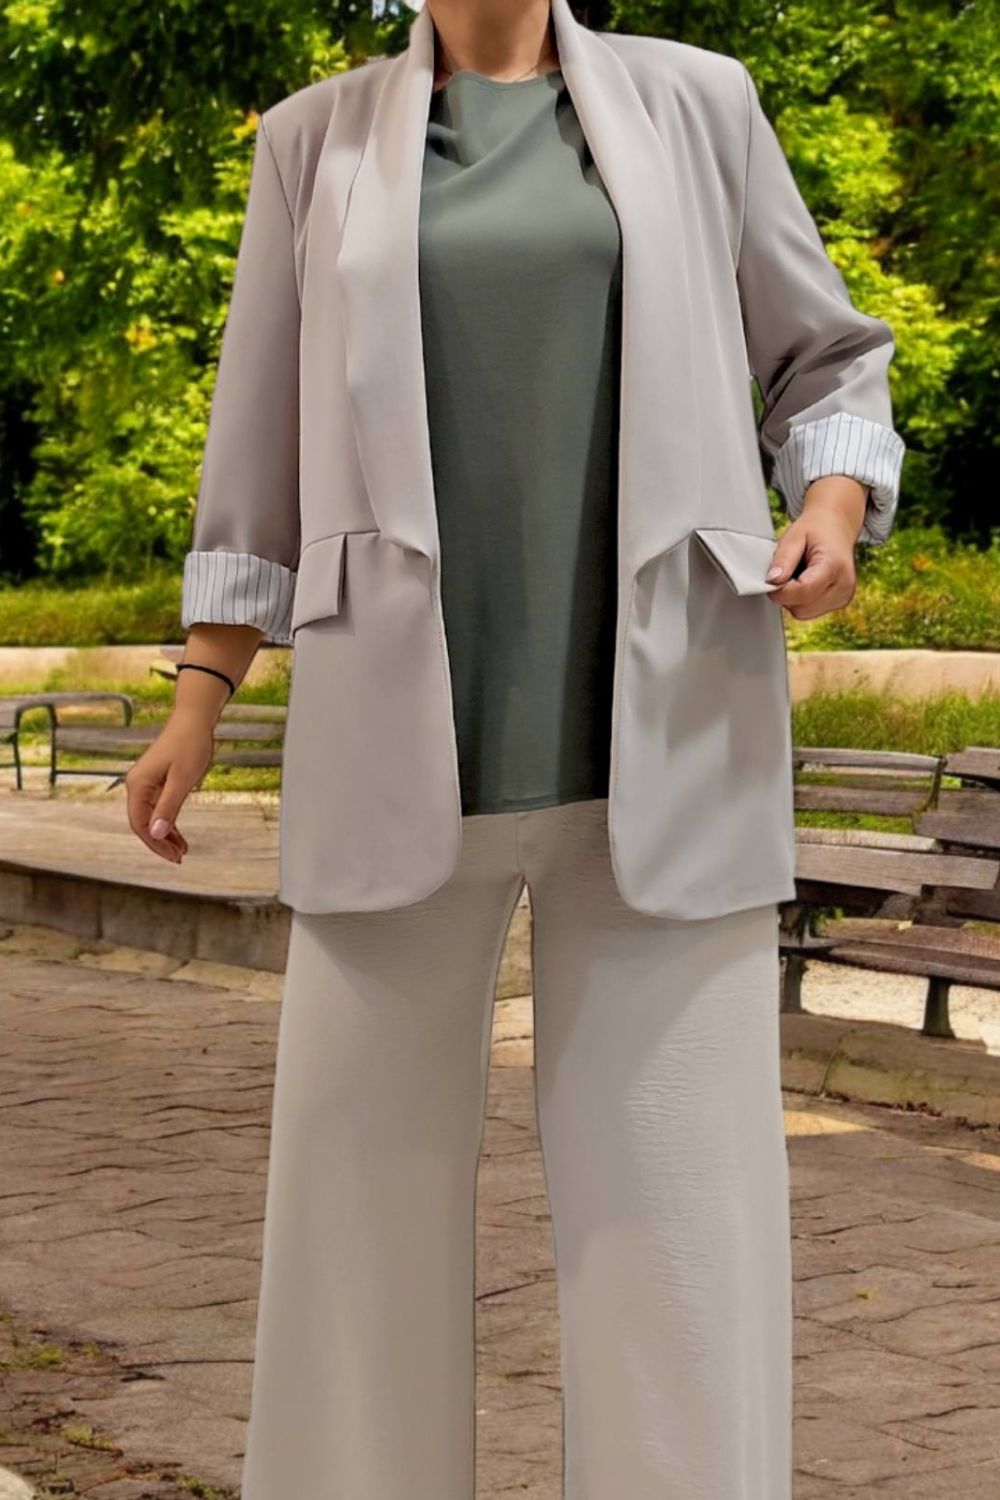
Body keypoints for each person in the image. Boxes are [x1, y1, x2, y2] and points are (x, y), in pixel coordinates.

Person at [124, 0, 905, 1494]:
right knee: (353, 1223)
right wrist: (200, 695)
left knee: (683, 1237)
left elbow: (830, 358)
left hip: (672, 737)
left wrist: (831, 503)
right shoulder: (311, 141)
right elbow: (257, 441)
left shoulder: (702, 103)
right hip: (388, 734)